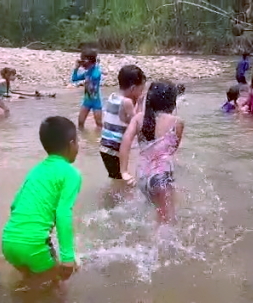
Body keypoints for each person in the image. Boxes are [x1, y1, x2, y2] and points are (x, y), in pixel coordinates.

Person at [2, 116, 81, 290]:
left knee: (32, 286)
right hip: (33, 245)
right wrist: (68, 257)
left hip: (9, 242)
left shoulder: (35, 171)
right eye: (78, 141)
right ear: (71, 143)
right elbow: (63, 213)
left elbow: (15, 205)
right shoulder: (71, 174)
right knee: (54, 290)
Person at [119, 81, 184, 224]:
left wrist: (123, 171)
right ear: (172, 102)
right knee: (166, 222)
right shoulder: (177, 122)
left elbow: (126, 141)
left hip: (142, 176)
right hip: (162, 178)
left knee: (150, 212)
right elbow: (173, 149)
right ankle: (158, 245)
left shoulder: (138, 118)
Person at [100, 65, 146, 180]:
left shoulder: (112, 97)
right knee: (122, 181)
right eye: (141, 90)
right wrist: (140, 103)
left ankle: (112, 194)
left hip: (105, 147)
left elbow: (123, 119)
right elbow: (137, 122)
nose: (141, 93)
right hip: (115, 150)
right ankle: (112, 197)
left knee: (116, 178)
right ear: (133, 89)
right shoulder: (127, 102)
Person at [71, 48, 103, 129]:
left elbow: (96, 75)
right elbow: (74, 79)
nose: (82, 63)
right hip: (87, 101)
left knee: (99, 125)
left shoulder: (96, 71)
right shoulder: (86, 73)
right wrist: (76, 68)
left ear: (88, 61)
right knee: (80, 123)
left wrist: (95, 64)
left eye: (83, 61)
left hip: (96, 102)